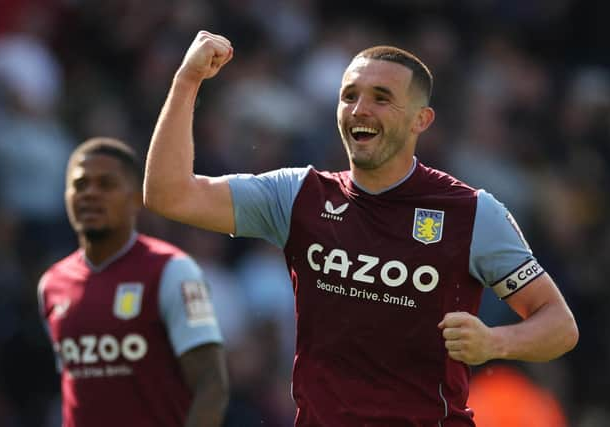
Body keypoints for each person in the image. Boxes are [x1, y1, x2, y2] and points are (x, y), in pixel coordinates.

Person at [143, 31, 579, 426]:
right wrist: (187, 82)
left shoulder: (472, 213)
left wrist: (493, 343)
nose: (359, 109)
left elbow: (559, 325)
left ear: (420, 120)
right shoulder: (298, 196)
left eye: (381, 97)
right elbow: (169, 195)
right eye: (349, 95)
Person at [38, 137, 229, 427]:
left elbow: (212, 385)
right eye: (80, 184)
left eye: (106, 184)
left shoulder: (172, 271)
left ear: (136, 198)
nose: (90, 193)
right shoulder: (52, 284)